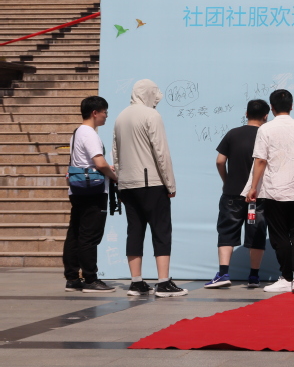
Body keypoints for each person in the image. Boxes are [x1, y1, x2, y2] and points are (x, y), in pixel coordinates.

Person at [113, 79, 187, 298]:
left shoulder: (120, 117)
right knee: (161, 230)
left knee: (134, 231)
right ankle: (163, 282)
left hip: (127, 184)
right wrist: (170, 184)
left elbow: (116, 154)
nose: (156, 101)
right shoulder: (151, 115)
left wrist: (120, 181)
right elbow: (161, 152)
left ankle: (136, 282)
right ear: (149, 94)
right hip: (151, 183)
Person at [245, 89, 294, 294]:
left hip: (274, 189)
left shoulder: (266, 129)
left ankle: (286, 277)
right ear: (292, 106)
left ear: (272, 108)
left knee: (279, 235)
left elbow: (260, 160)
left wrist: (253, 187)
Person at [205, 99, 270, 289]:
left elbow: (219, 161)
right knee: (257, 233)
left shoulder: (233, 134)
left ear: (246, 113)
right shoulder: (267, 135)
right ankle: (254, 276)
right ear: (266, 116)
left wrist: (227, 181)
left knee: (226, 232)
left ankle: (223, 273)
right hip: (258, 194)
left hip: (232, 192)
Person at [63, 96, 118, 293]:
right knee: (89, 235)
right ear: (95, 113)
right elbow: (99, 163)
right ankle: (90, 279)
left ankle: (72, 278)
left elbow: (84, 162)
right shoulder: (90, 134)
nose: (106, 116)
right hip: (93, 191)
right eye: (104, 112)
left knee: (75, 233)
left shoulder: (77, 132)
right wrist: (114, 176)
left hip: (78, 189)